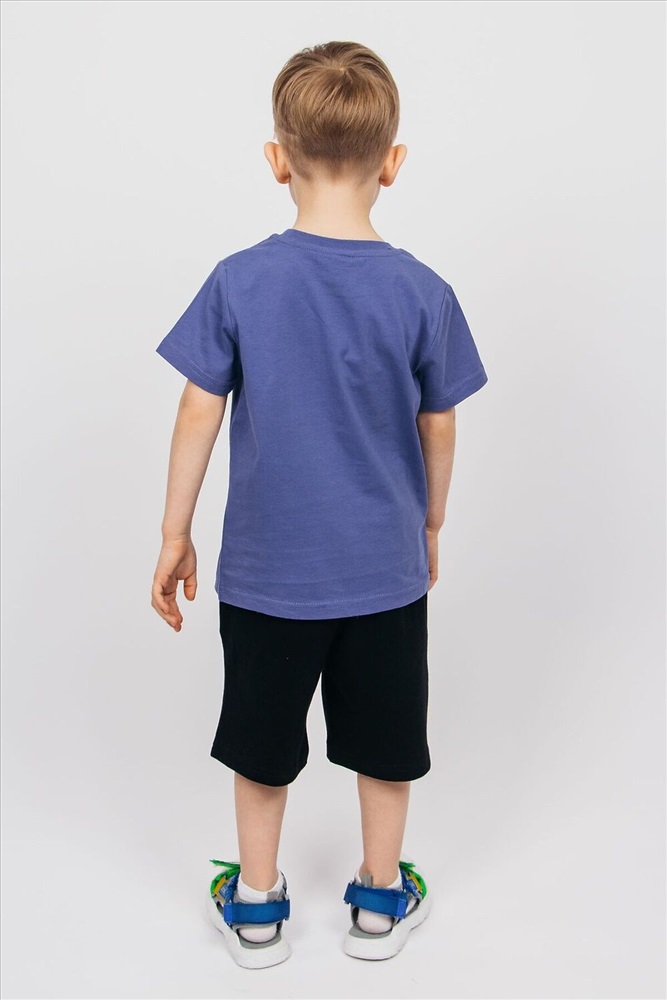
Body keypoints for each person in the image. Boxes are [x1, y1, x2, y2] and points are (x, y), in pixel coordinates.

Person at [151, 40, 489, 970]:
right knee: (385, 743)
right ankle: (378, 901)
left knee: (260, 745)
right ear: (393, 162)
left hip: (267, 574)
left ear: (276, 159)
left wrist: (175, 532)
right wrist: (429, 522)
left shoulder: (239, 279)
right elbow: (439, 424)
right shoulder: (423, 291)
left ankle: (256, 908)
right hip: (383, 569)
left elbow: (197, 407)